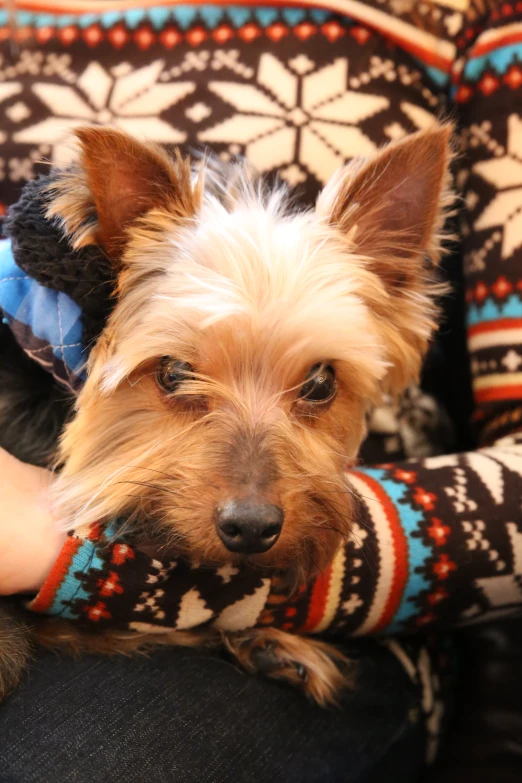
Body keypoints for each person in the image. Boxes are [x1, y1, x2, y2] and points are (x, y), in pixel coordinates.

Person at [1, 0, 522, 780]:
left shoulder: (472, 19)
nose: (250, 493)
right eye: (182, 378)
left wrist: (63, 552)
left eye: (316, 386)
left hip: (343, 617)